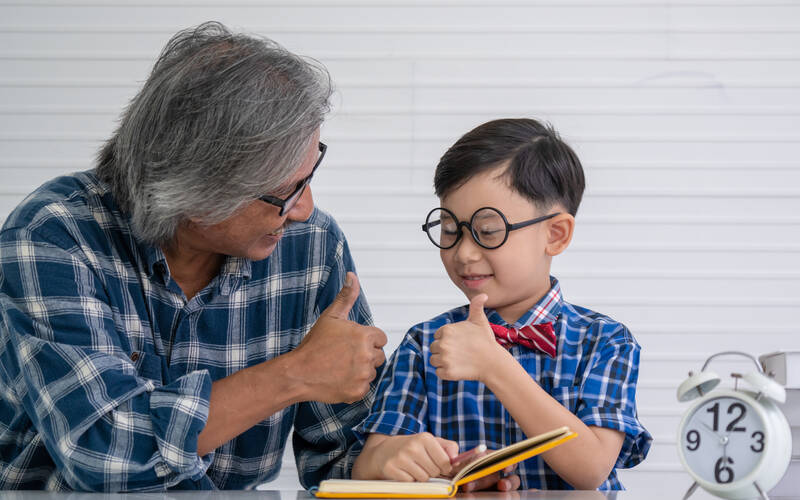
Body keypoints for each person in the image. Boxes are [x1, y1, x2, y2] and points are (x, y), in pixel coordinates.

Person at [0, 22, 388, 491]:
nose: (304, 210)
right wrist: (294, 375)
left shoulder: (313, 246)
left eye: (308, 176)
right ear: (198, 193)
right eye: (286, 192)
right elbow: (103, 452)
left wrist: (402, 462)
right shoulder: (54, 235)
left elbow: (344, 456)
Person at [351, 118, 652, 490]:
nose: (463, 253)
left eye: (488, 231)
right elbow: (366, 467)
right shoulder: (425, 343)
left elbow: (591, 470)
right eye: (449, 230)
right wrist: (400, 459)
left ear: (555, 234)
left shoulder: (606, 341)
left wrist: (496, 365)